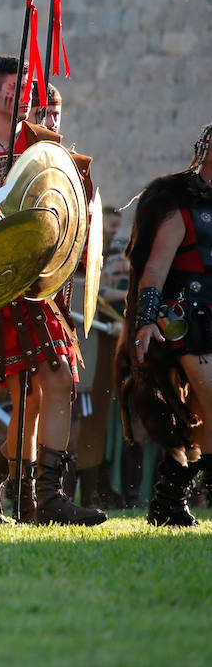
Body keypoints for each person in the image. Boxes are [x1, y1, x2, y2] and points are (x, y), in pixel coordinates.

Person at [0, 56, 104, 525]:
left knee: (57, 379)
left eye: (28, 87)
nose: (23, 95)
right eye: (13, 87)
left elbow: (67, 213)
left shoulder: (46, 145)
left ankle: (48, 497)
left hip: (30, 288)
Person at [118, 121, 212, 526]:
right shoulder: (178, 203)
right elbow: (153, 269)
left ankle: (168, 501)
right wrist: (144, 323)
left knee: (205, 415)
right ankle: (169, 500)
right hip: (188, 322)